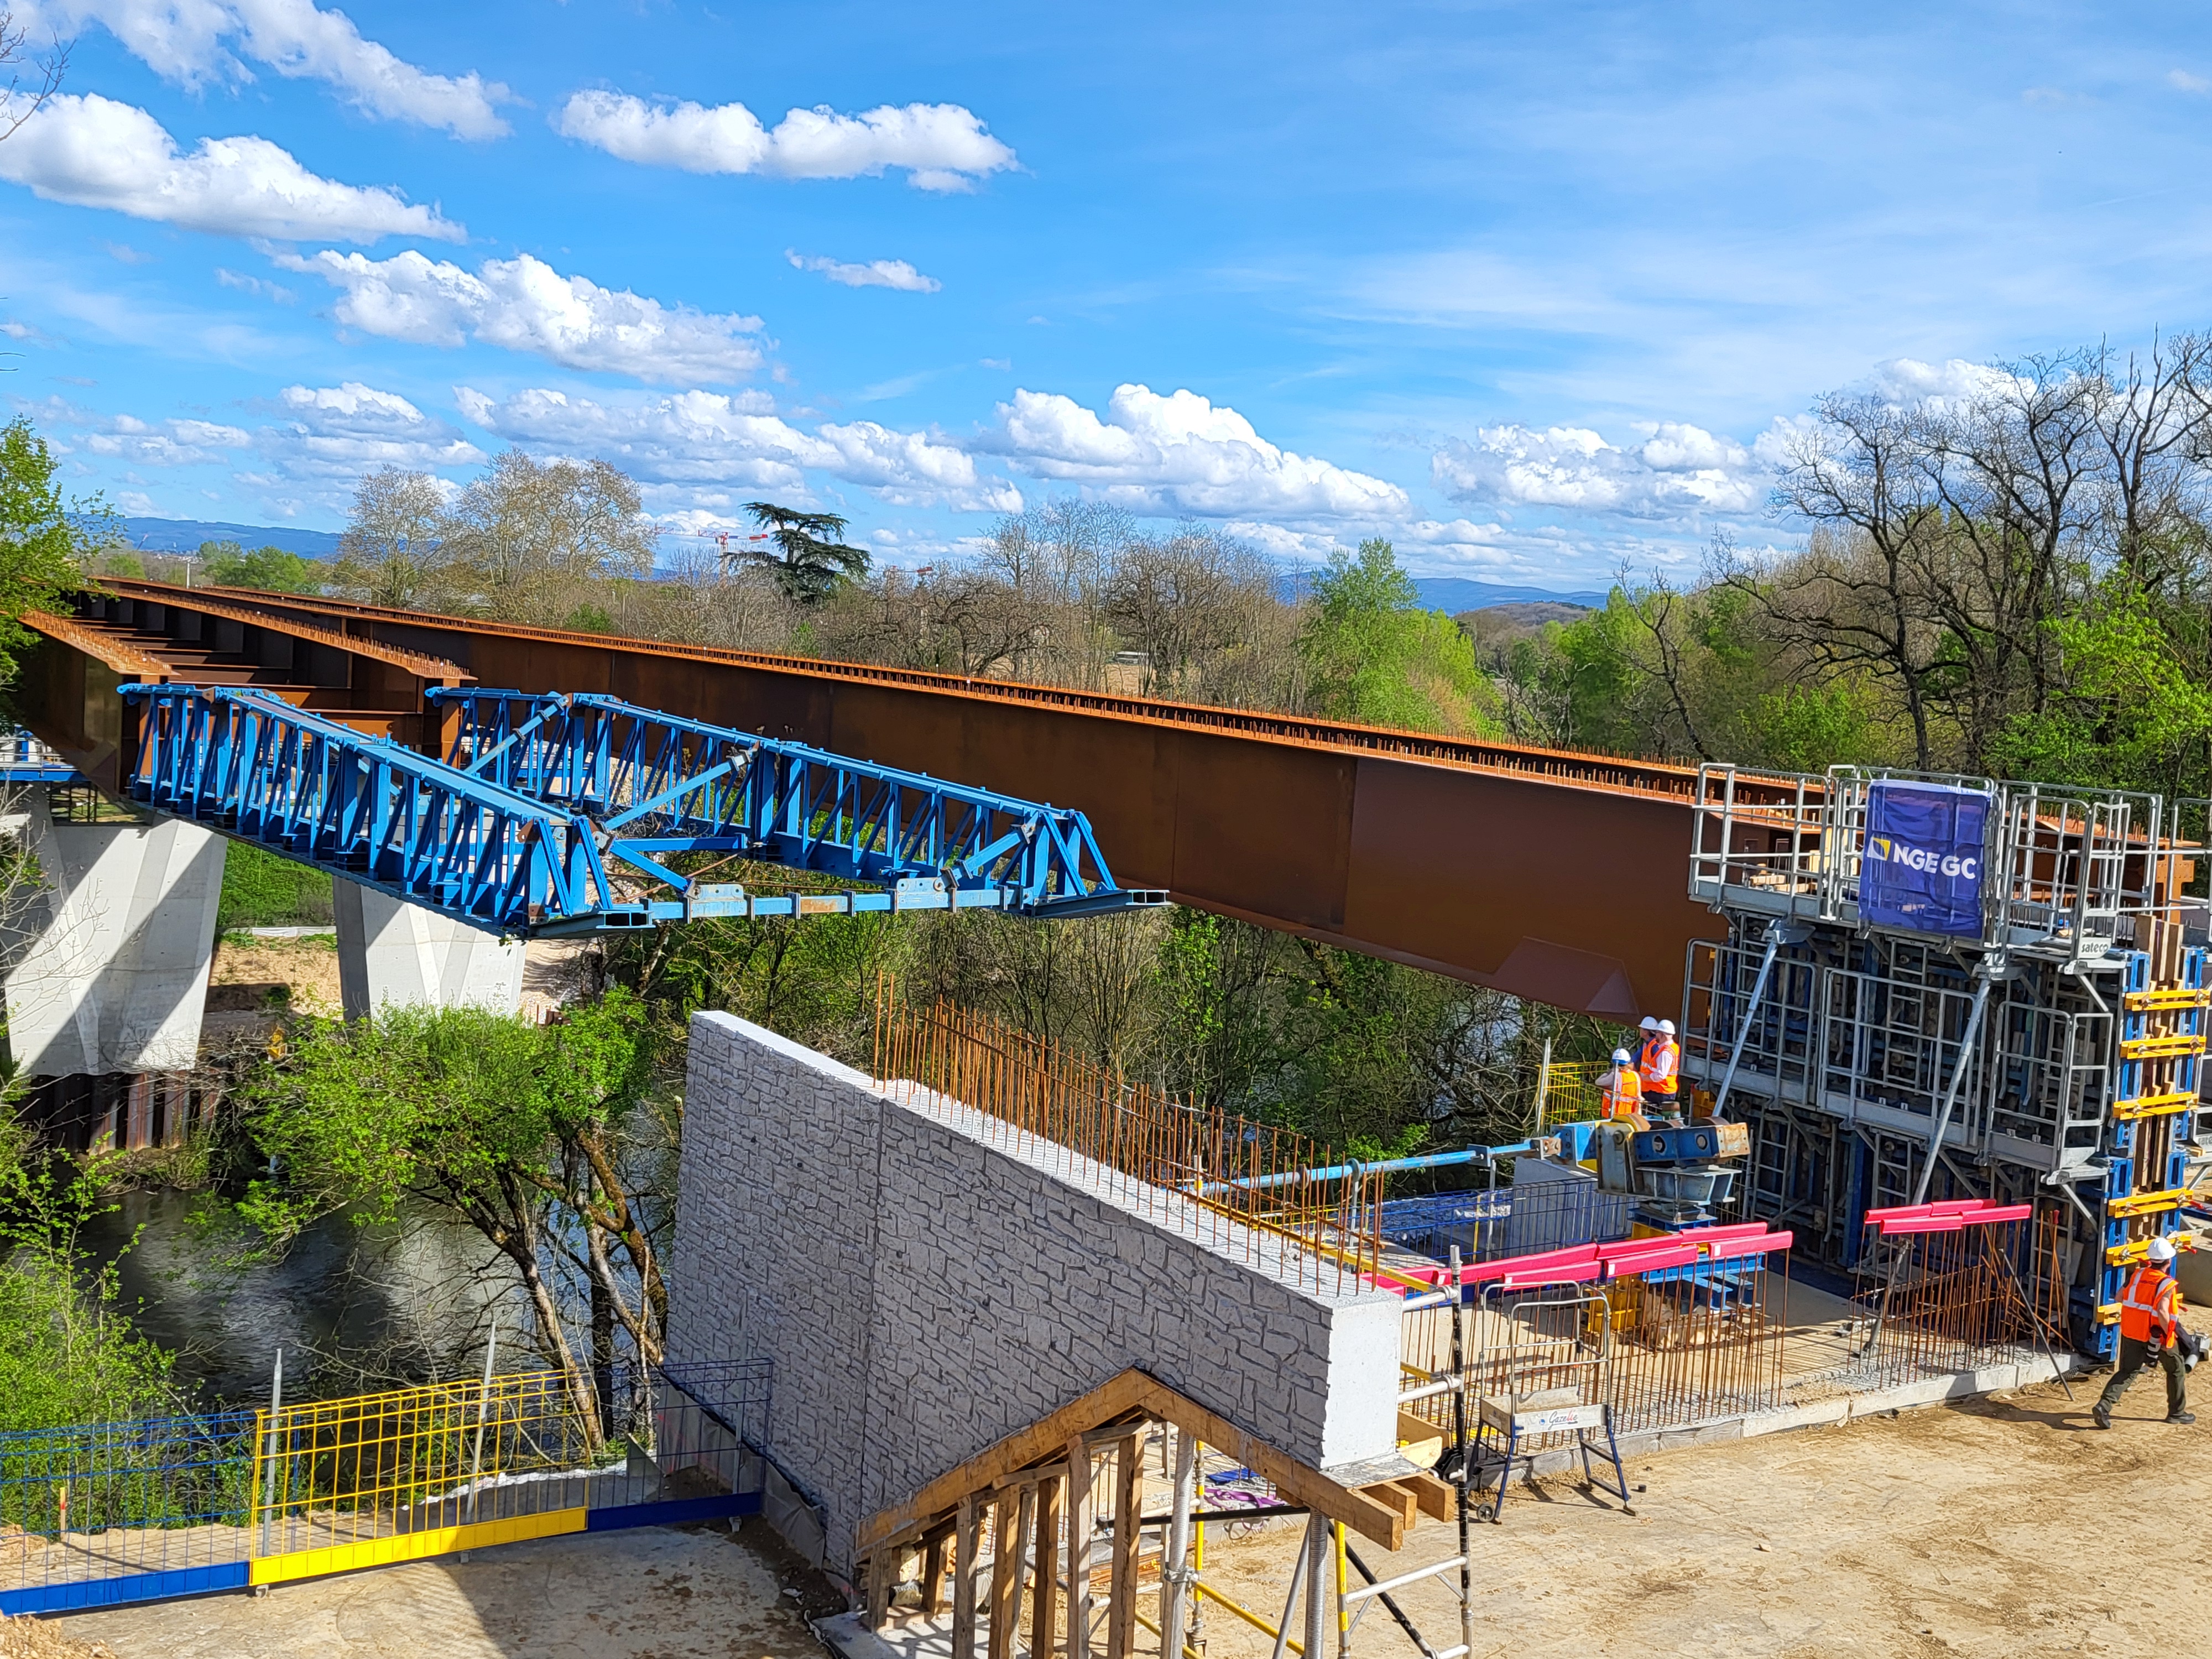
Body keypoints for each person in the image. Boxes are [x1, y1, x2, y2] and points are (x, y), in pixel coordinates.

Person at [2094, 1235, 2194, 1429]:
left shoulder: (2137, 1275)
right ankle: (2177, 1413)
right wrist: (2171, 1334)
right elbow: (2163, 1311)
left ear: (2151, 1259)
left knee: (2128, 1371)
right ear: (2168, 1261)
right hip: (2157, 1336)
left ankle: (2103, 1406)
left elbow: (2119, 1297)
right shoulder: (2166, 1284)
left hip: (2132, 1333)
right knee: (2176, 1370)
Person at [1639, 1019, 1681, 1123]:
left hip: (1660, 1092)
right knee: (1665, 1121)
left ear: (1663, 1035)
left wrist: (1645, 1078)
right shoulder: (1673, 1048)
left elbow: (1660, 1075)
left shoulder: (1665, 1053)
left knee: (1656, 1122)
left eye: (1657, 1033)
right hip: (1665, 1090)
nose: (1656, 1035)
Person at [1601, 1047, 1644, 1121]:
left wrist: (1610, 1072)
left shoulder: (1614, 1075)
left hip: (1615, 1114)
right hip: (1631, 1114)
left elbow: (1599, 1082)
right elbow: (1639, 1096)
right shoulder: (1635, 1075)